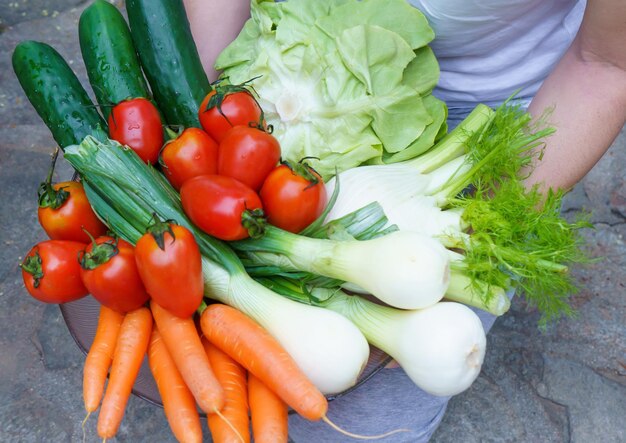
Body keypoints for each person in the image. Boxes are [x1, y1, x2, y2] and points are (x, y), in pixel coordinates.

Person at [183, 0, 626, 441]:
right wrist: (195, 119)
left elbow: (606, 63)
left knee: (363, 424)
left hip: (479, 146)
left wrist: (465, 238)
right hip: (276, 73)